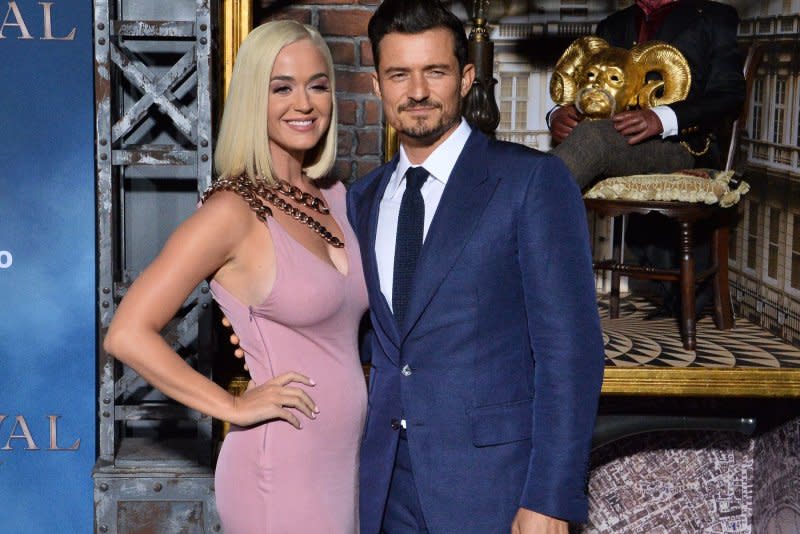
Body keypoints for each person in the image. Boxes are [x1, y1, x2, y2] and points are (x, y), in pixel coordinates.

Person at [348, 1, 605, 532]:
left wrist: (551, 499)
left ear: (466, 78)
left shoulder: (532, 183)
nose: (417, 91)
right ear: (377, 85)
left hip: (495, 487)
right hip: (384, 485)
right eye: (399, 74)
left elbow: (571, 353)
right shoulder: (363, 200)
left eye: (435, 71)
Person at [104, 21, 368, 533]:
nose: (304, 103)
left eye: (317, 85)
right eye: (282, 87)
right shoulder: (232, 211)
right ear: (253, 97)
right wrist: (231, 405)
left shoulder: (335, 198)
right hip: (280, 461)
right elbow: (127, 333)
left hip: (346, 461)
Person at [549, 0, 745, 189]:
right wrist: (557, 114)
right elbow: (594, 87)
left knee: (593, 138)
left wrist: (661, 118)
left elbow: (729, 95)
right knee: (571, 145)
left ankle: (526, 209)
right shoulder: (612, 25)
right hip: (610, 135)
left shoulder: (714, 17)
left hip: (686, 147)